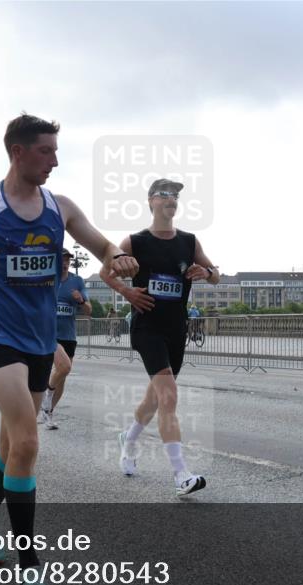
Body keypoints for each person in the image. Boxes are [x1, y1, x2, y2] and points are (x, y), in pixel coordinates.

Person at [0, 113, 138, 585]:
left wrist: (117, 257)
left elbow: (102, 243)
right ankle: (32, 576)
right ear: (17, 152)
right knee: (28, 441)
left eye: (55, 150)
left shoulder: (60, 206)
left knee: (11, 445)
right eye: (46, 151)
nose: (55, 160)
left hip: (38, 339)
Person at [99, 178, 220, 496]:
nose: (171, 199)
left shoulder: (190, 242)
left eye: (176, 195)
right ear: (151, 201)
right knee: (169, 397)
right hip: (147, 328)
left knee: (154, 398)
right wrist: (128, 292)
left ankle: (129, 438)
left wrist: (206, 273)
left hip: (176, 329)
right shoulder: (134, 241)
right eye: (164, 194)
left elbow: (217, 275)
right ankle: (181, 475)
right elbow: (104, 272)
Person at [39, 248, 90, 429]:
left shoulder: (77, 282)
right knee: (64, 366)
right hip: (49, 334)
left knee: (63, 375)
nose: (66, 263)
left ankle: (48, 412)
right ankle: (46, 393)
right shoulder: (46, 280)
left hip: (69, 335)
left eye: (68, 260)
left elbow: (88, 311)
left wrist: (81, 301)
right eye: (62, 259)